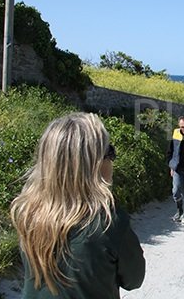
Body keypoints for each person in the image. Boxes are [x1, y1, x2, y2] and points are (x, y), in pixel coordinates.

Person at [10, 112, 146, 298]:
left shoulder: (27, 214)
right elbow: (134, 280)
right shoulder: (109, 223)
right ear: (94, 164)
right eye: (110, 152)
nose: (112, 161)